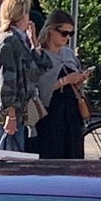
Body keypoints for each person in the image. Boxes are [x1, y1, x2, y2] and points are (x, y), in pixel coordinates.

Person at [32, 11, 88, 159]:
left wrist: (79, 79)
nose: (67, 38)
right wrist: (66, 80)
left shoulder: (68, 54)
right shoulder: (39, 56)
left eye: (71, 34)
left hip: (72, 111)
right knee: (52, 153)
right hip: (51, 112)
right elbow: (39, 88)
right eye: (64, 33)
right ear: (51, 30)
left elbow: (74, 83)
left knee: (73, 153)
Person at [0, 0, 40, 151]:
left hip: (18, 111)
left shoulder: (18, 39)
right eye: (26, 13)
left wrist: (34, 43)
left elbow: (41, 66)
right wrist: (10, 114)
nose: (28, 18)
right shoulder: (8, 40)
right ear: (19, 15)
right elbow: (6, 80)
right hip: (10, 112)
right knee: (8, 159)